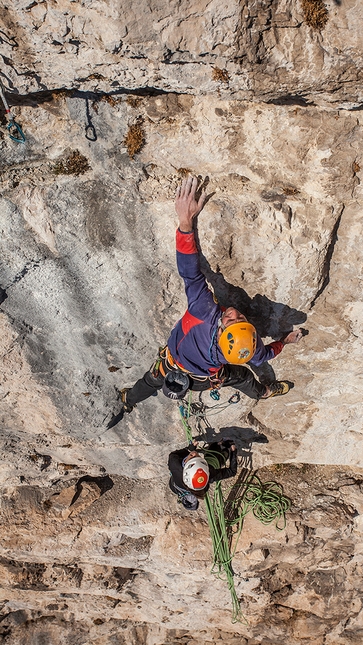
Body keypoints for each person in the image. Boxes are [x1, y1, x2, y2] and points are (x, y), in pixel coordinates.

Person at [121, 176, 303, 413]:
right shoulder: (248, 346)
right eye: (240, 320)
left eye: (231, 320)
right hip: (204, 379)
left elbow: (191, 274)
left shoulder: (204, 311)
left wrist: (185, 223)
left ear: (220, 330)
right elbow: (262, 357)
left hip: (173, 367)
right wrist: (284, 342)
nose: (235, 313)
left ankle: (129, 399)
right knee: (244, 379)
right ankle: (265, 392)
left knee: (150, 381)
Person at [168, 439, 237, 510]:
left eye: (197, 457)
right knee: (215, 459)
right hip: (179, 485)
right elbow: (232, 471)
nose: (195, 453)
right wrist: (233, 452)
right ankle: (220, 448)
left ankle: (218, 446)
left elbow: (173, 454)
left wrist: (189, 449)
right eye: (193, 456)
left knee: (215, 455)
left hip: (175, 484)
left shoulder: (174, 463)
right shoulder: (209, 475)